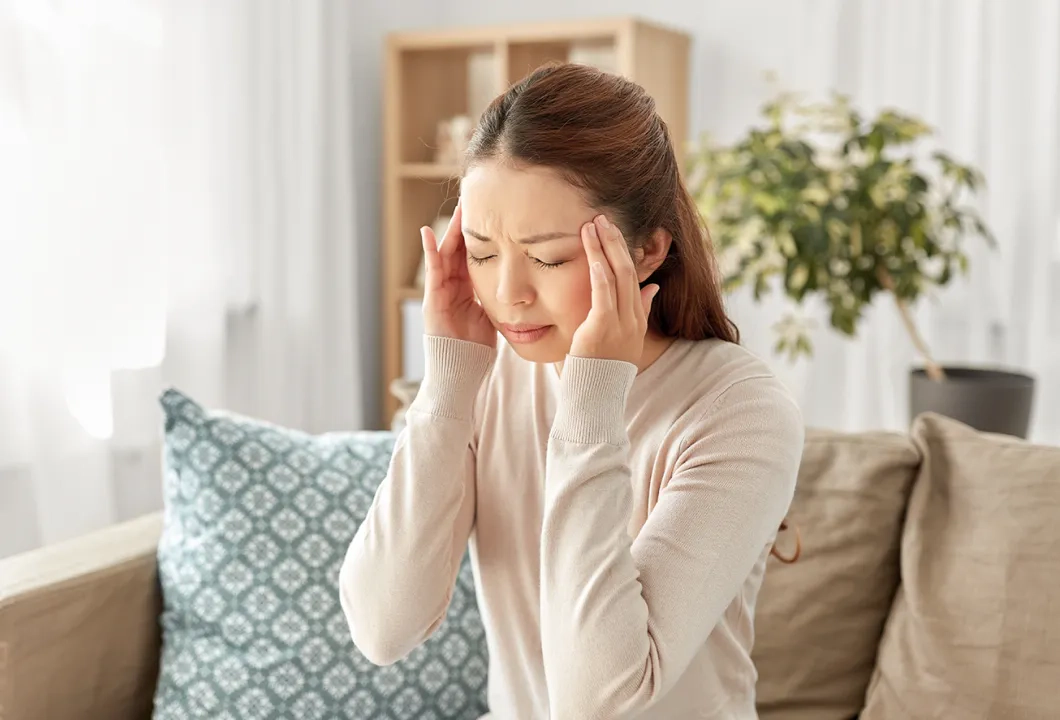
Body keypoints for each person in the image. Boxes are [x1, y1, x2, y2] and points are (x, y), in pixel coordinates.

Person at [339, 61, 805, 720]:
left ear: (646, 252)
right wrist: (447, 385)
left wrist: (590, 404)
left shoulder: (740, 412)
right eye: (480, 250)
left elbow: (598, 700)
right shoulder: (491, 374)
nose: (507, 294)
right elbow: (383, 628)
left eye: (549, 257)